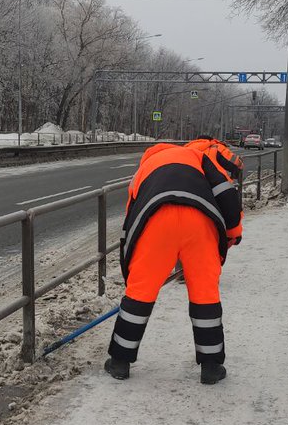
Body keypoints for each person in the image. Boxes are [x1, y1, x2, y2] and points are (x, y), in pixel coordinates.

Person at [105, 137, 244, 385]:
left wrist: (130, 271)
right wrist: (233, 233)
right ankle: (211, 367)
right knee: (205, 294)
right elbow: (225, 192)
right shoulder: (197, 157)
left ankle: (119, 362)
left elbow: (131, 219)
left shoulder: (144, 169)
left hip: (155, 221)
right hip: (200, 222)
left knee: (140, 292)